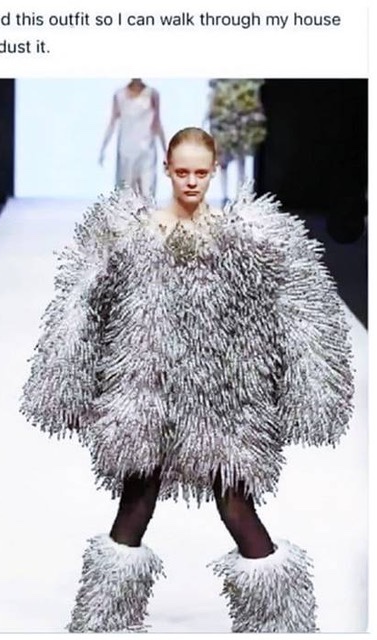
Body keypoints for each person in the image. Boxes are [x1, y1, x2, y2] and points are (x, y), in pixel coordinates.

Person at [21, 127, 353, 633]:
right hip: (147, 398)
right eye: (182, 172)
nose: (192, 181)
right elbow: (82, 306)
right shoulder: (131, 235)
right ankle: (101, 622)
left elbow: (298, 312)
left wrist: (308, 390)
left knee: (236, 505)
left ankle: (283, 625)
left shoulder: (246, 239)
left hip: (222, 401)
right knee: (136, 503)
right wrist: (66, 382)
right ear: (167, 171)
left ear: (214, 171)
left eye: (201, 172)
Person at [98, 78, 166, 199]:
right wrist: (103, 148)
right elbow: (112, 122)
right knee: (126, 194)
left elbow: (157, 124)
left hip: (147, 151)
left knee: (147, 192)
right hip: (126, 153)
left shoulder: (152, 94)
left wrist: (166, 152)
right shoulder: (119, 95)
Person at [204, 79, 267, 206]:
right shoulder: (218, 87)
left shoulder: (243, 86)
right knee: (223, 162)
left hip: (238, 124)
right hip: (223, 125)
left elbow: (253, 104)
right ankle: (225, 196)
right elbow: (212, 107)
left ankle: (240, 196)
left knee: (240, 161)